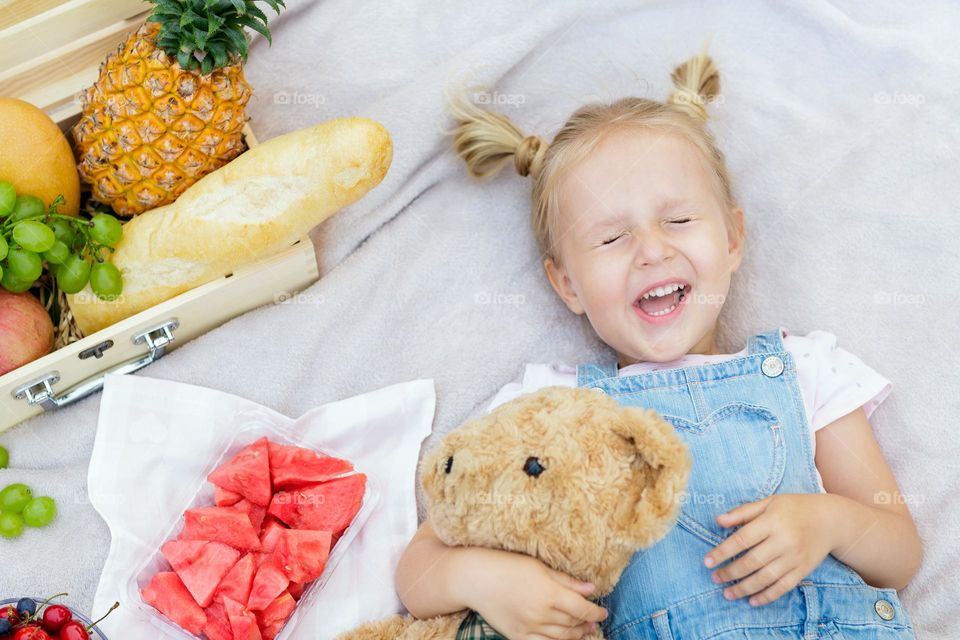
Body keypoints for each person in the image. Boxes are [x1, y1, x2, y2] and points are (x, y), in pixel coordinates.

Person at [395, 46, 922, 640]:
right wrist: (485, 580)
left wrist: (830, 523)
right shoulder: (546, 407)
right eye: (611, 238)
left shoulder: (805, 370)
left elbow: (900, 552)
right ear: (567, 284)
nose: (651, 250)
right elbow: (419, 569)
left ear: (732, 239)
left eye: (678, 221)